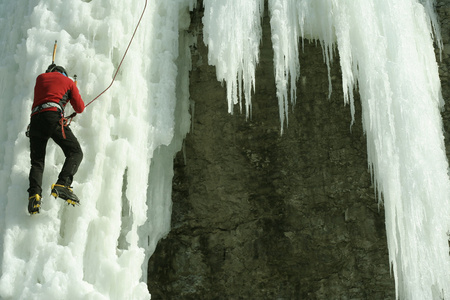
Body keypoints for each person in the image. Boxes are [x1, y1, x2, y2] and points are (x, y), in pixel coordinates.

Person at [27, 64, 85, 215]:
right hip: (52, 117)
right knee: (75, 152)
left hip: (35, 121)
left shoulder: (40, 79)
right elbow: (79, 108)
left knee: (37, 162)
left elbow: (47, 94)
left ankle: (34, 197)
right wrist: (71, 90)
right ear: (64, 74)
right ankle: (62, 184)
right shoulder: (68, 82)